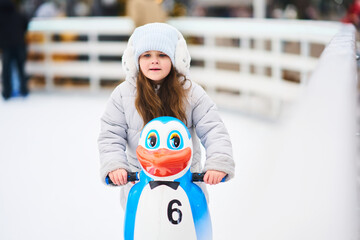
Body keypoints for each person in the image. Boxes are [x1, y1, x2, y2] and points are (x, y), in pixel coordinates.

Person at [98, 23, 235, 208]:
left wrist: (218, 162)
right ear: (135, 60)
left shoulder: (191, 93)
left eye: (162, 55)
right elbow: (110, 135)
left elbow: (214, 130)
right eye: (147, 55)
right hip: (140, 186)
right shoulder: (123, 95)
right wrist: (115, 166)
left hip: (186, 186)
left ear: (176, 58)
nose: (154, 61)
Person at [0, 0, 29, 100]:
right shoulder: (18, 14)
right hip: (20, 45)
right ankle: (24, 90)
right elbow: (26, 24)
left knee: (6, 70)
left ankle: (7, 92)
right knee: (21, 69)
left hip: (6, 47)